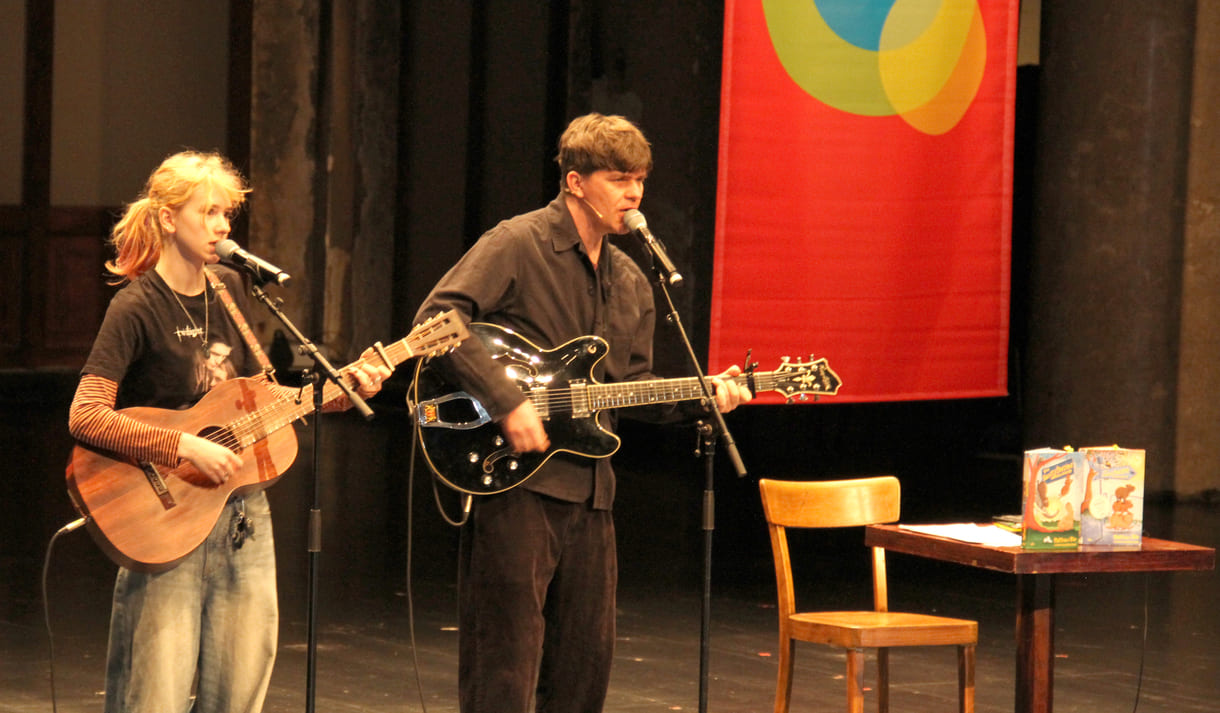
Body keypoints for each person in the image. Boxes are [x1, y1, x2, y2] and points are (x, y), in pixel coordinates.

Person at [413, 113, 752, 713]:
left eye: (640, 179)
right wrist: (507, 399)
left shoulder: (631, 281)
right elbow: (438, 320)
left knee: (584, 667)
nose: (634, 194)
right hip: (516, 486)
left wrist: (707, 396)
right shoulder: (518, 242)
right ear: (575, 182)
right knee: (506, 664)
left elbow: (635, 389)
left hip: (593, 495)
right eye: (620, 178)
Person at [67, 150, 392, 713]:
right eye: (209, 212)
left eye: (227, 215)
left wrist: (346, 389)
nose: (222, 227)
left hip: (243, 519)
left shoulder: (230, 290)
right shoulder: (136, 306)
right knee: (154, 699)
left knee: (239, 694)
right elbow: (86, 414)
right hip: (165, 523)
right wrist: (182, 443)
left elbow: (258, 401)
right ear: (169, 218)